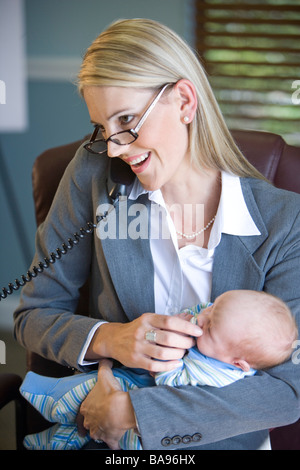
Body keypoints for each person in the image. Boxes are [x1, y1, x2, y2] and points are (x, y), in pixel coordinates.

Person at [13, 18, 300, 450]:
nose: (114, 148)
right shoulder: (95, 177)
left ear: (184, 101)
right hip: (100, 428)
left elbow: (288, 389)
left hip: (217, 438)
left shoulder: (285, 222)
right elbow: (32, 316)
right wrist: (113, 338)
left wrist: (135, 414)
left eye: (126, 120)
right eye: (102, 129)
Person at [19, 290, 298, 450]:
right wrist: (110, 339)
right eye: (213, 307)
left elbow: (173, 383)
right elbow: (33, 314)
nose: (202, 316)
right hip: (124, 377)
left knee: (82, 402)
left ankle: (49, 405)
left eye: (209, 326)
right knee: (86, 409)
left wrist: (165, 363)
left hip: (153, 428)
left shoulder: (215, 373)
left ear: (237, 363)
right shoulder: (221, 327)